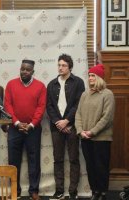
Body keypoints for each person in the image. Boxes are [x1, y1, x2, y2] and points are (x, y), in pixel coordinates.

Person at [4, 59, 46, 200]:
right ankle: (15, 190)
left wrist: (31, 124)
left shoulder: (40, 86)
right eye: (22, 69)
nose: (24, 71)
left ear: (33, 71)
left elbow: (41, 108)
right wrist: (16, 123)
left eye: (28, 70)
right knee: (13, 161)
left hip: (33, 129)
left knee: (34, 161)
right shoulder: (11, 84)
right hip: (15, 129)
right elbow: (8, 105)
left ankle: (33, 191)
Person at [47, 54, 85, 200]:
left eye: (63, 65)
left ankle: (73, 191)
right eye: (59, 65)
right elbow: (49, 106)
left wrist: (67, 121)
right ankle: (59, 190)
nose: (60, 67)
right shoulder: (51, 84)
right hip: (56, 127)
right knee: (58, 159)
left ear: (70, 66)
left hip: (73, 126)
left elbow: (78, 104)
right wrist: (59, 122)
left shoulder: (78, 82)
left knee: (74, 158)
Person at [75, 64, 115, 200]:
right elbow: (78, 114)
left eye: (93, 75)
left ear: (99, 77)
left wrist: (92, 132)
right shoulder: (84, 94)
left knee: (101, 167)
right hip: (85, 137)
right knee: (90, 167)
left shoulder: (107, 94)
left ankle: (102, 192)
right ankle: (95, 191)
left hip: (101, 138)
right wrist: (80, 131)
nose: (90, 78)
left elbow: (107, 117)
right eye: (89, 75)